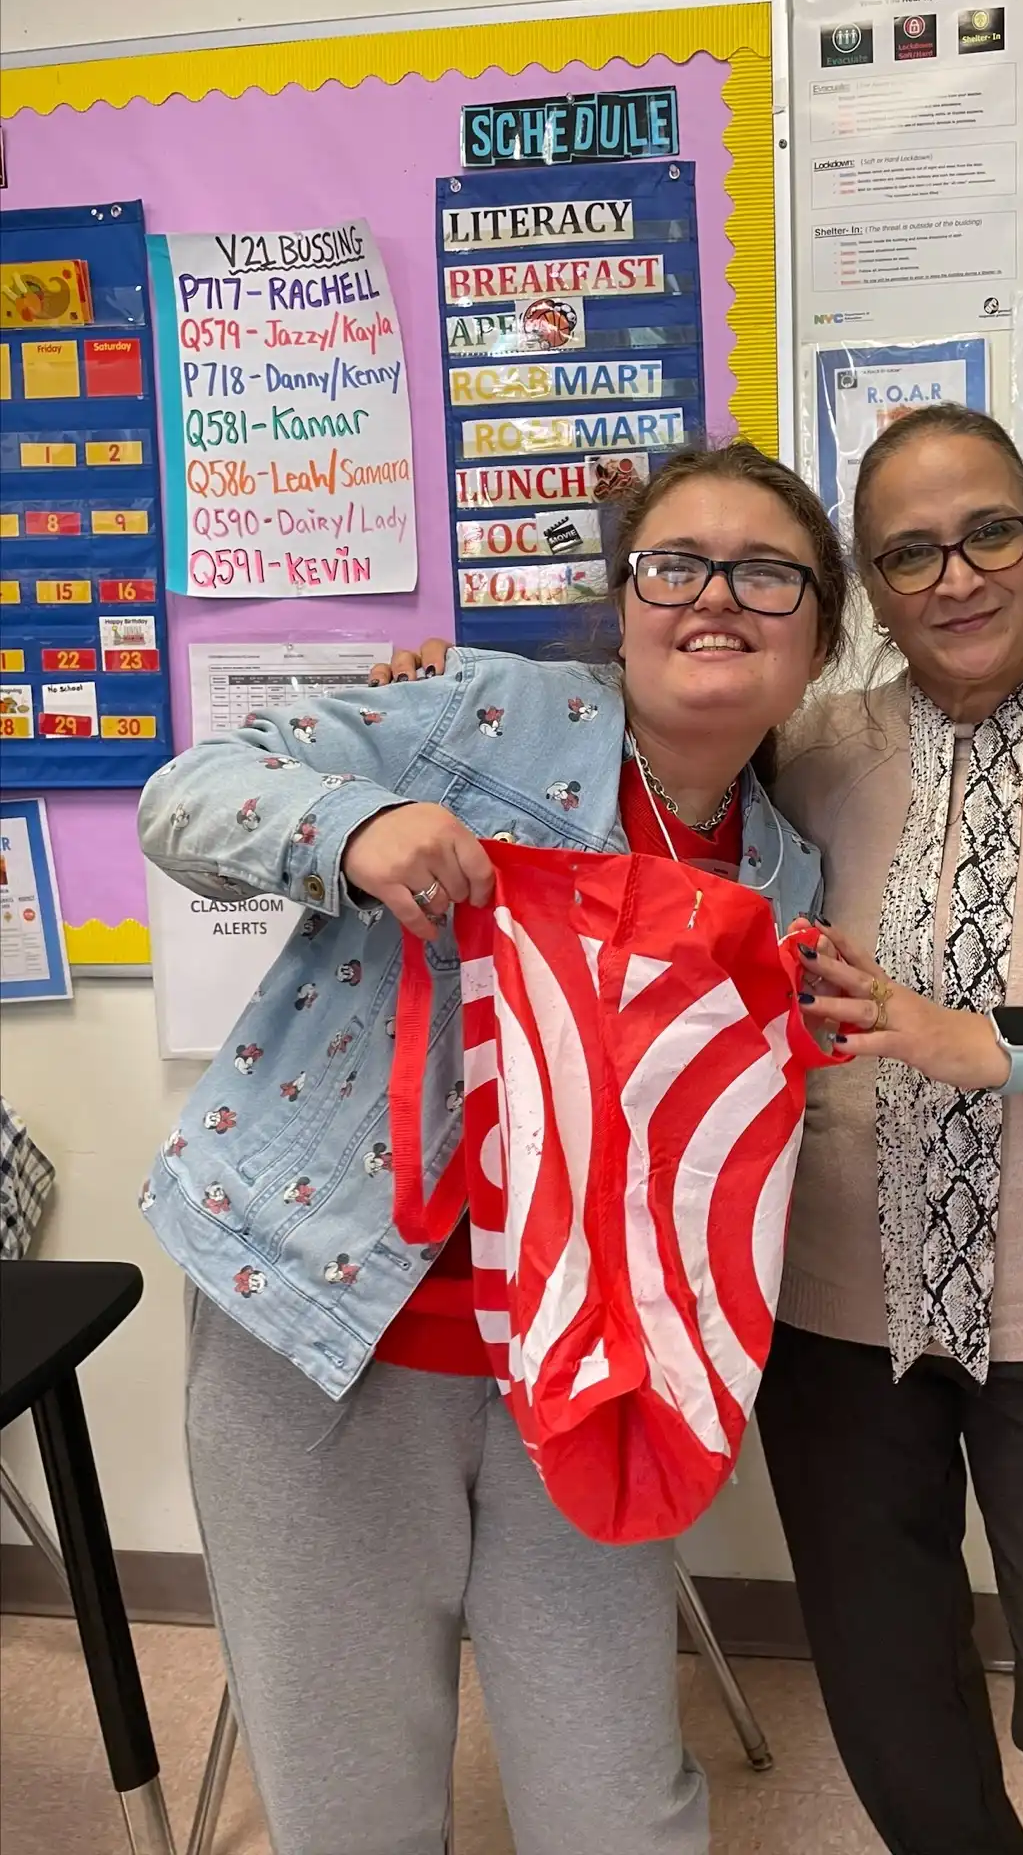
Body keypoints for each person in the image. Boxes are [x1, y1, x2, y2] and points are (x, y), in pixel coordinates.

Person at [396, 405, 1023, 1851]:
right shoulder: (799, 748)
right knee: (891, 1705)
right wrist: (431, 710)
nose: (957, 578)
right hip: (830, 1313)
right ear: (860, 596)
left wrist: (1000, 1045)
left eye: (989, 533)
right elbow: (621, 783)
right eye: (907, 553)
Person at [137, 441, 847, 1855]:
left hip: (583, 1368)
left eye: (768, 574)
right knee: (350, 1809)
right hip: (320, 1322)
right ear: (624, 599)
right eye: (677, 564)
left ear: (819, 638)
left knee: (613, 1805)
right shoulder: (482, 713)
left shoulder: (784, 873)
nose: (718, 599)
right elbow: (191, 794)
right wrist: (357, 825)